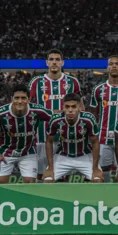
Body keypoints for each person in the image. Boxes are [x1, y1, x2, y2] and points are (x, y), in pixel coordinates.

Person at [28, 49, 81, 181]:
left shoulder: (72, 82)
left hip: (68, 134)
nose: (54, 62)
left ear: (62, 63)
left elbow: (81, 107)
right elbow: (28, 106)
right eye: (51, 59)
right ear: (47, 63)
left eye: (57, 60)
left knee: (66, 174)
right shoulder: (37, 82)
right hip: (43, 134)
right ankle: (41, 200)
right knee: (42, 173)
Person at [0, 84, 53, 184]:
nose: (20, 101)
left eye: (23, 98)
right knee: (0, 183)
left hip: (28, 152)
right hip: (6, 152)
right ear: (11, 99)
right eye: (16, 98)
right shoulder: (0, 113)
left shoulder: (37, 111)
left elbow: (55, 118)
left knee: (30, 182)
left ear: (29, 99)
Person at [44, 93, 103, 183]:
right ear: (63, 107)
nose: (70, 110)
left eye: (73, 107)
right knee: (47, 180)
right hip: (63, 155)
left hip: (85, 155)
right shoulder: (55, 119)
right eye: (67, 107)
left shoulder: (88, 119)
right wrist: (50, 167)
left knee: (98, 179)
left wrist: (95, 168)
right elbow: (48, 141)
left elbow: (95, 142)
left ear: (79, 107)